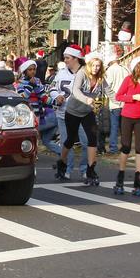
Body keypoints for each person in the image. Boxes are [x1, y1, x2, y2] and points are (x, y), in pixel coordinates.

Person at [60, 52, 108, 186]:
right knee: (70, 139)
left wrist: (123, 100)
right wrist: (86, 99)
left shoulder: (100, 78)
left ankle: (91, 169)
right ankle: (62, 162)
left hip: (87, 112)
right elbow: (75, 90)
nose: (96, 68)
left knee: (92, 138)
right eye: (94, 65)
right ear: (89, 64)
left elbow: (110, 91)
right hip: (73, 111)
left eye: (98, 66)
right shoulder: (82, 73)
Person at [113, 56, 140, 196]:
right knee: (125, 147)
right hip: (127, 116)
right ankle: (120, 175)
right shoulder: (129, 80)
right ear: (136, 67)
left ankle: (138, 177)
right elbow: (118, 96)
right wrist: (133, 97)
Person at [47, 46, 89, 179]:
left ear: (76, 58)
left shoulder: (85, 72)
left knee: (86, 142)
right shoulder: (61, 73)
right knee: (66, 143)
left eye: (67, 58)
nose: (65, 61)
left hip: (81, 113)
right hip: (63, 113)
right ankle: (67, 169)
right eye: (64, 58)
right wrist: (56, 96)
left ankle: (85, 169)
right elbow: (52, 88)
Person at [18, 60, 60, 155]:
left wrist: (56, 102)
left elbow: (42, 95)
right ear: (25, 71)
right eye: (30, 70)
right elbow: (23, 97)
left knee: (36, 136)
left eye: (34, 69)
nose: (33, 71)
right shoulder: (20, 83)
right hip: (26, 115)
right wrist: (30, 85)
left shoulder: (37, 81)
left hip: (37, 114)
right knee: (28, 137)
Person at [104, 55, 130, 154]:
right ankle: (125, 146)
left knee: (114, 126)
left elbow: (107, 86)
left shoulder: (110, 71)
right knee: (124, 127)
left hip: (114, 102)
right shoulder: (125, 70)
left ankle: (113, 147)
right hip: (125, 101)